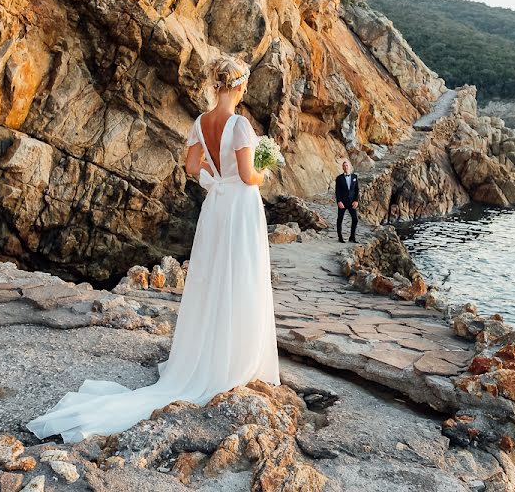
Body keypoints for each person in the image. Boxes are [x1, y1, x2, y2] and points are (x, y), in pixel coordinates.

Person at [26, 56, 280, 443]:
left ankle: (207, 354)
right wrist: (265, 170)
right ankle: (234, 360)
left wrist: (217, 178)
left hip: (216, 208)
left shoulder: (201, 122)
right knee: (240, 276)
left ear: (216, 84)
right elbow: (248, 176)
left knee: (214, 277)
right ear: (240, 86)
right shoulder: (240, 125)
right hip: (240, 208)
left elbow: (193, 167)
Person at [335, 160, 359, 243]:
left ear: (349, 166)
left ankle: (352, 237)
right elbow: (337, 191)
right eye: (344, 166)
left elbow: (356, 190)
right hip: (342, 202)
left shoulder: (354, 177)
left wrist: (356, 201)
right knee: (340, 219)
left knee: (355, 219)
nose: (345, 167)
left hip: (352, 202)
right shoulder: (339, 178)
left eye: (347, 165)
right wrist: (339, 201)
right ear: (342, 167)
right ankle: (340, 237)